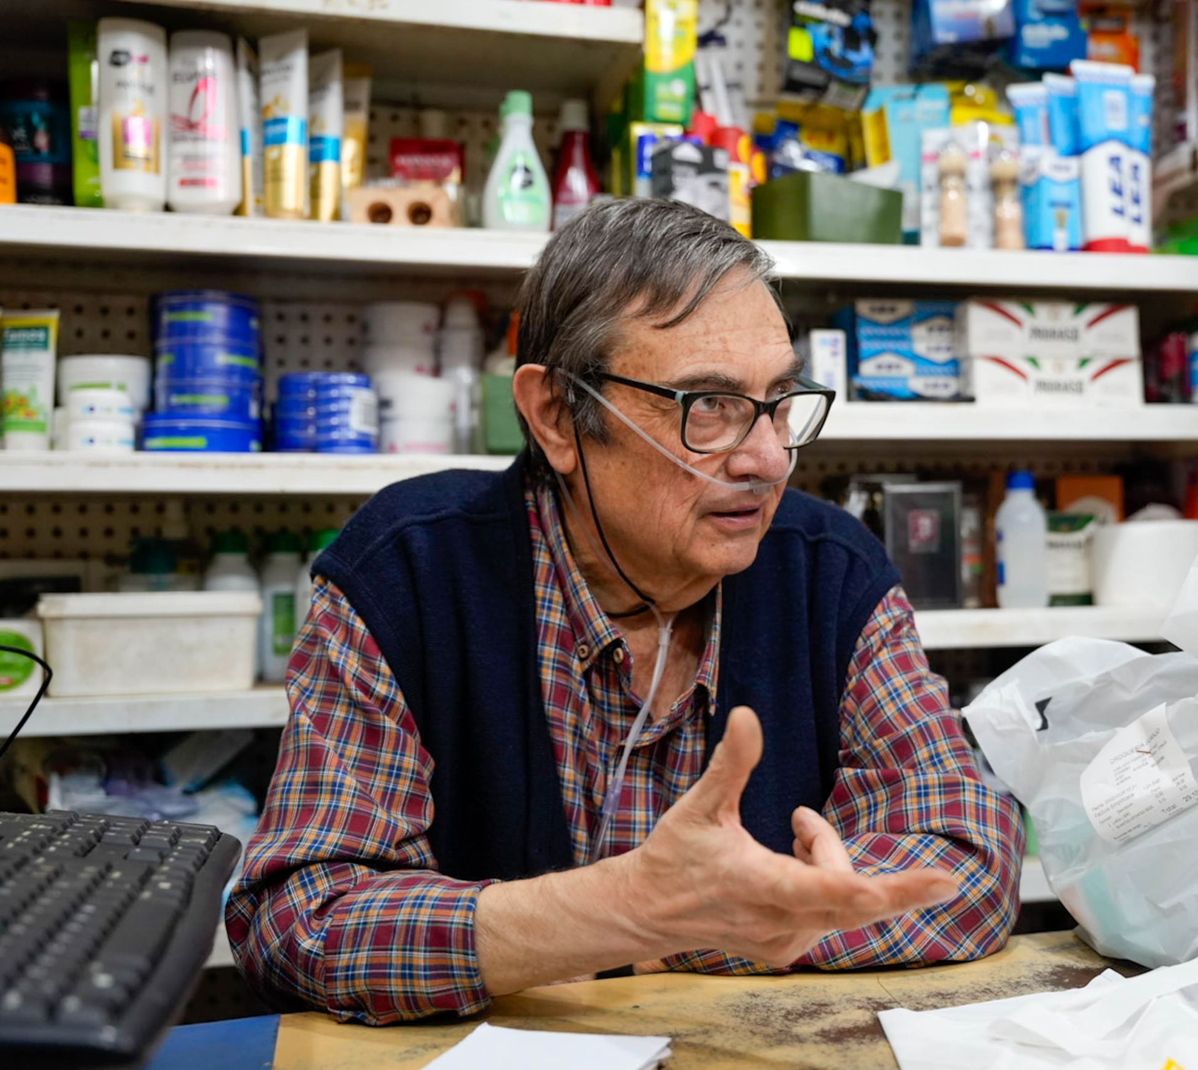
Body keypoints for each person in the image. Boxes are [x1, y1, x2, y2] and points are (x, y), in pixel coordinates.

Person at [226, 198, 1023, 1024]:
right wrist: (627, 909)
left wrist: (686, 929)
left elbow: (967, 860)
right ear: (556, 417)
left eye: (780, 400)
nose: (767, 458)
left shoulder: (831, 574)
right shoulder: (408, 575)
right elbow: (299, 918)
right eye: (706, 406)